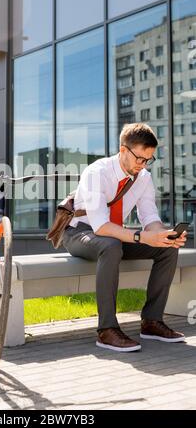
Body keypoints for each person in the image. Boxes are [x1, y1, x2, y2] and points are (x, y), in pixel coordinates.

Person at [63, 123, 187, 352]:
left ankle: (151, 321)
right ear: (123, 150)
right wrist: (143, 237)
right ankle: (107, 330)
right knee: (110, 245)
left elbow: (149, 216)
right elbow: (100, 226)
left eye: (148, 160)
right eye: (140, 158)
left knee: (167, 248)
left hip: (115, 235)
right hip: (80, 233)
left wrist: (163, 235)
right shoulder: (96, 172)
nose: (143, 165)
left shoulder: (144, 178)